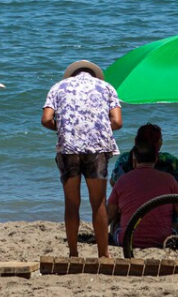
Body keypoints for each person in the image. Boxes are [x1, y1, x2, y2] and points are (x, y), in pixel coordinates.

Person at [41, 60, 122, 259]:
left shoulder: (58, 87)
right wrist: (99, 128)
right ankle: (103, 254)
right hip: (97, 148)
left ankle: (73, 253)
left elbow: (46, 119)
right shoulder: (106, 88)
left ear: (72, 74)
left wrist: (64, 128)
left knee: (71, 203)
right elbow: (117, 122)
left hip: (68, 148)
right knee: (98, 203)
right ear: (94, 75)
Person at [107, 141, 178, 248]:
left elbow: (109, 214)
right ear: (156, 160)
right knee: (175, 226)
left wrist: (98, 235)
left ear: (134, 161)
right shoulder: (169, 179)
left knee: (116, 219)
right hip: (162, 240)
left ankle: (110, 237)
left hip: (128, 241)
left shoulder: (121, 181)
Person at [109, 123, 178, 189]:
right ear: (155, 142)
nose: (162, 141)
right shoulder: (166, 159)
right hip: (160, 196)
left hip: (130, 196)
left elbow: (113, 182)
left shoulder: (124, 158)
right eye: (161, 139)